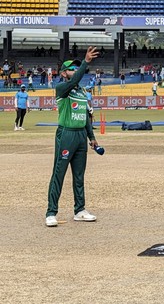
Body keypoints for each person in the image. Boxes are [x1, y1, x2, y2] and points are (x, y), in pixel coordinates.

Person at [45, 46, 100, 228]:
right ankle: (51, 212)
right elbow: (75, 79)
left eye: (76, 68)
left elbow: (85, 116)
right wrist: (86, 62)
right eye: (71, 69)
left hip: (80, 136)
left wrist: (91, 137)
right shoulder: (62, 88)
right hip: (66, 134)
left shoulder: (82, 92)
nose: (75, 71)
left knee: (79, 176)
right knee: (58, 174)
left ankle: (79, 210)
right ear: (63, 73)